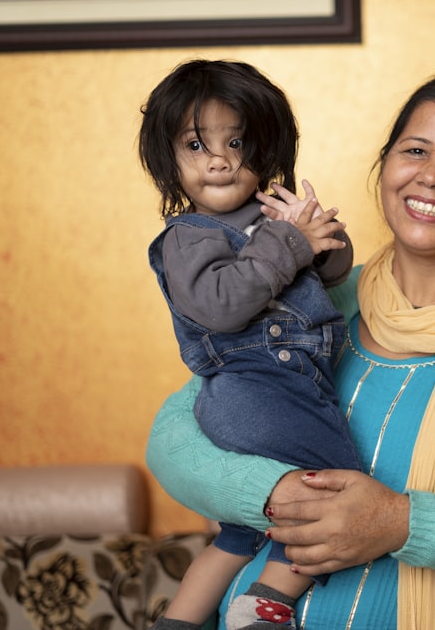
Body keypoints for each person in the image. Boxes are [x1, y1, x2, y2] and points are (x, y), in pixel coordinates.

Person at [146, 70, 435, 630]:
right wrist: (276, 495)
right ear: (385, 164)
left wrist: (400, 522)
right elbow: (173, 440)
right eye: (415, 151)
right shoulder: (316, 296)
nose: (432, 176)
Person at [139, 59, 362, 630]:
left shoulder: (271, 217)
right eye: (195, 144)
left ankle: (181, 620)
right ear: (169, 160)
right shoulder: (186, 238)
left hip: (274, 394)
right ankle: (264, 608)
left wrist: (317, 233)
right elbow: (221, 303)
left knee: (239, 532)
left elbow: (333, 276)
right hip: (258, 393)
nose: (217, 158)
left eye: (236, 141)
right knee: (338, 493)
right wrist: (288, 241)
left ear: (266, 150)